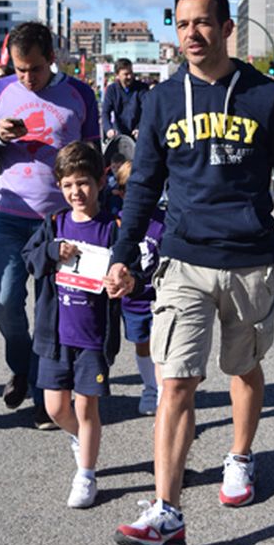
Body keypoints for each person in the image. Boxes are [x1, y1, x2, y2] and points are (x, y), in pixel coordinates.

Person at [106, 0, 274, 545]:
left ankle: (239, 456)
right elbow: (143, 186)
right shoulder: (163, 99)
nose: (192, 34)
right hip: (185, 259)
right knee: (176, 383)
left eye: (203, 23)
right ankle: (167, 512)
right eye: (183, 24)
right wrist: (123, 258)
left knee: (243, 369)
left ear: (226, 28)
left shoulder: (264, 96)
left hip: (250, 261)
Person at [0, 21, 100, 430]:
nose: (27, 78)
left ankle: (46, 397)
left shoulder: (80, 95)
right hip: (10, 216)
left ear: (52, 59)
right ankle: (23, 367)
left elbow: (94, 160)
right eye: (20, 69)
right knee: (3, 301)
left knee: (53, 316)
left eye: (35, 70)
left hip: (63, 223)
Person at [22, 141, 129, 508]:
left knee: (87, 410)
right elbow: (29, 259)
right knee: (55, 409)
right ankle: (81, 439)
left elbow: (129, 272)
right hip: (54, 336)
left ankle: (86, 474)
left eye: (83, 183)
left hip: (93, 339)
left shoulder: (113, 229)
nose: (76, 192)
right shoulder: (55, 224)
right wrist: (52, 252)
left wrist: (122, 282)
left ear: (101, 181)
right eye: (68, 185)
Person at [116, 159, 164, 416]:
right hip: (132, 302)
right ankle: (150, 387)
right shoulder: (117, 223)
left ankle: (164, 394)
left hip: (160, 299)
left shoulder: (164, 221)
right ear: (120, 192)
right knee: (142, 345)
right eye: (128, 189)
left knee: (163, 348)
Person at [101, 58, 148, 141]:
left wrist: (140, 128)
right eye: (126, 74)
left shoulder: (142, 88)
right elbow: (105, 112)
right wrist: (108, 129)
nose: (129, 76)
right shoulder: (111, 90)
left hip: (137, 133)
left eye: (131, 73)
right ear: (117, 75)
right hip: (118, 133)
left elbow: (147, 110)